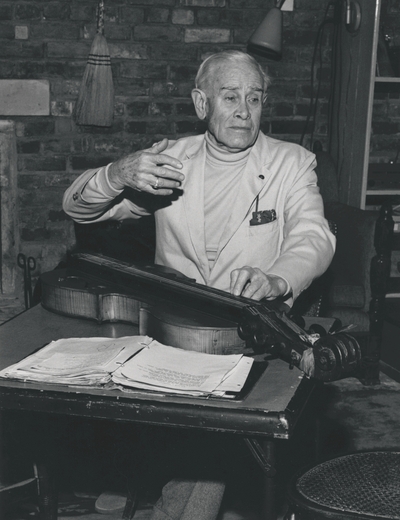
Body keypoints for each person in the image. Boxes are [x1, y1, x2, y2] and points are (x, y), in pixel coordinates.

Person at [63, 50, 335, 519]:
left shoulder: (292, 163)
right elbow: (78, 209)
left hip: (251, 336)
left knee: (212, 442)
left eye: (255, 97)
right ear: (200, 103)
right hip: (173, 333)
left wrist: (277, 277)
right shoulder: (170, 160)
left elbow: (315, 236)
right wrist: (115, 174)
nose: (244, 111)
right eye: (230, 97)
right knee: (194, 440)